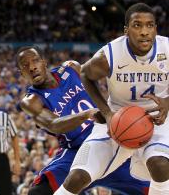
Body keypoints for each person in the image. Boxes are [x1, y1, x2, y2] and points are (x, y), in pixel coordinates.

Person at [16, 46, 149, 195]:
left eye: (35, 61)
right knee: (38, 192)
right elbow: (53, 125)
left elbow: (97, 91)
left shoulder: (71, 68)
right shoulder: (31, 101)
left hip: (108, 140)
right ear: (22, 73)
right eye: (25, 65)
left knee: (154, 185)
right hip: (75, 151)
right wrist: (87, 114)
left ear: (43, 62)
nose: (32, 67)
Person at [79, 2, 169, 195]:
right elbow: (85, 74)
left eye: (149, 25)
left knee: (161, 166)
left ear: (155, 28)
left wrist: (168, 102)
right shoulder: (109, 54)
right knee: (79, 175)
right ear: (126, 30)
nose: (144, 31)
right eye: (137, 25)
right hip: (120, 115)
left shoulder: (167, 49)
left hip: (159, 115)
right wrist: (107, 113)